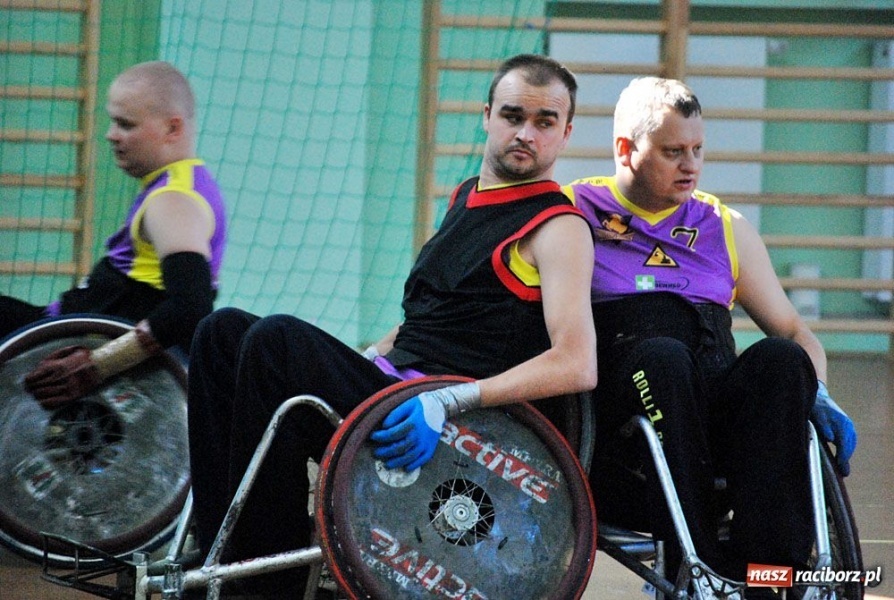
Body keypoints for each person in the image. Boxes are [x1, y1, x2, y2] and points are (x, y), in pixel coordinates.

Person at [185, 53, 596, 598]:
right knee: (221, 333)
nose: (526, 133)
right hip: (396, 387)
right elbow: (427, 320)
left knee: (275, 341)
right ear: (487, 116)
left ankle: (266, 582)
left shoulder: (557, 227)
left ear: (565, 133)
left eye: (544, 122)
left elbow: (577, 363)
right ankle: (222, 550)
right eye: (513, 116)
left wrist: (453, 401)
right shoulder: (466, 198)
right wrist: (363, 355)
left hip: (453, 424)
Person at [563, 76, 858, 598]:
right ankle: (692, 567)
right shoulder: (573, 212)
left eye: (698, 150)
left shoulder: (724, 224)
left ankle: (769, 578)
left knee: (784, 360)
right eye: (674, 152)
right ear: (625, 150)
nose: (691, 165)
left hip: (713, 420)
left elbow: (792, 326)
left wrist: (821, 392)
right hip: (626, 439)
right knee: (662, 358)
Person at [2, 61, 227, 408]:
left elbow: (190, 307)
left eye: (126, 124)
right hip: (57, 328)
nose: (111, 134)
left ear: (172, 128)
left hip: (59, 344)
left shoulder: (173, 201)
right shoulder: (179, 184)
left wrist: (96, 365)